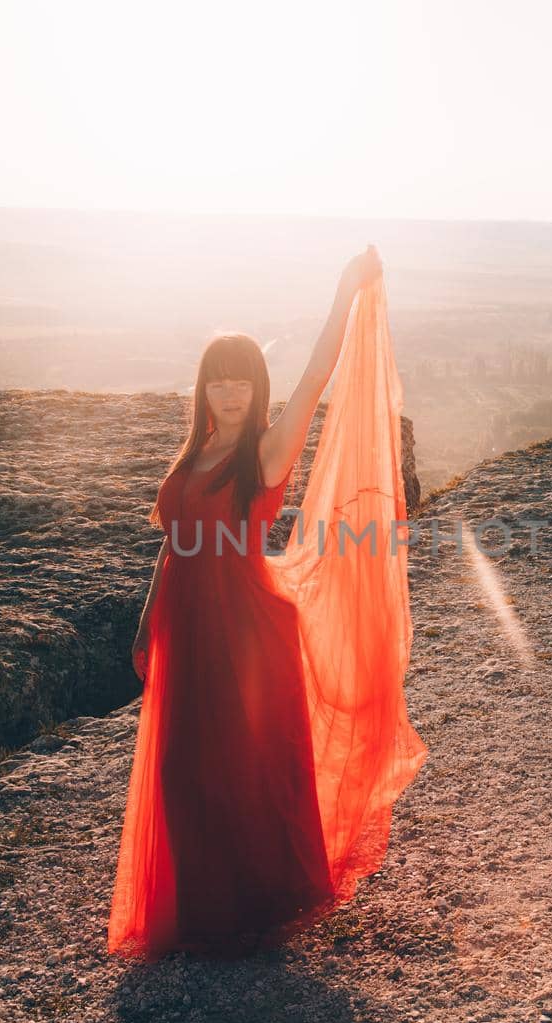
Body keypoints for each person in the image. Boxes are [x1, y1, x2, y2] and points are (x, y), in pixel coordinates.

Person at [107, 246, 427, 959]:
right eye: (218, 382)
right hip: (187, 631)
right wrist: (144, 622)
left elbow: (315, 375)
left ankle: (251, 910)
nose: (229, 394)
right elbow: (174, 546)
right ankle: (197, 909)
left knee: (243, 771)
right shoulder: (192, 456)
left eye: (242, 383)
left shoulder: (264, 453)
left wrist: (346, 290)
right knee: (183, 770)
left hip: (247, 631)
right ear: (203, 390)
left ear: (256, 390)